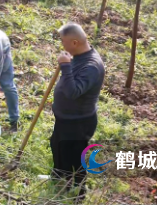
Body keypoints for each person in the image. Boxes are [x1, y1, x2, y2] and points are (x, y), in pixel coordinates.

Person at [50, 22, 105, 197]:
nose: (62, 45)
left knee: (74, 159)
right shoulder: (79, 56)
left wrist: (65, 66)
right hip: (65, 118)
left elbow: (73, 92)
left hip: (78, 122)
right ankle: (59, 176)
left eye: (63, 41)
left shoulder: (91, 66)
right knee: (57, 145)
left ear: (74, 43)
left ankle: (78, 193)